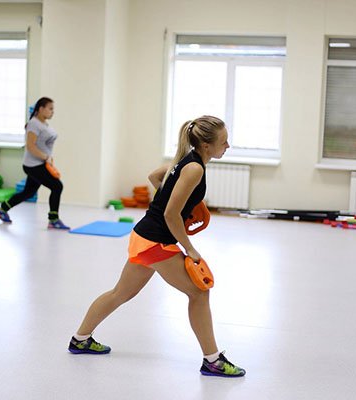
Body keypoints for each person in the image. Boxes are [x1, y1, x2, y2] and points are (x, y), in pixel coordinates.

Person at [68, 115, 246, 378]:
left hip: (144, 235)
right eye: (224, 141)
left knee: (120, 293)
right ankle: (213, 361)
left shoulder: (185, 159)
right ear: (207, 145)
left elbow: (155, 177)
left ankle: (80, 339)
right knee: (199, 293)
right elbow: (170, 215)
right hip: (155, 241)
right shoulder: (195, 168)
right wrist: (190, 249)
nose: (227, 146)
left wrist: (182, 203)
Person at [0, 97, 69, 229]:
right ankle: (53, 219)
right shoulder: (34, 124)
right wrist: (46, 157)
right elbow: (30, 146)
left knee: (28, 192)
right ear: (41, 109)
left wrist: (48, 159)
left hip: (40, 164)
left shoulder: (43, 124)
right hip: (34, 165)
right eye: (50, 109)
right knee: (57, 186)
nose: (52, 111)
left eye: (53, 109)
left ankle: (2, 210)